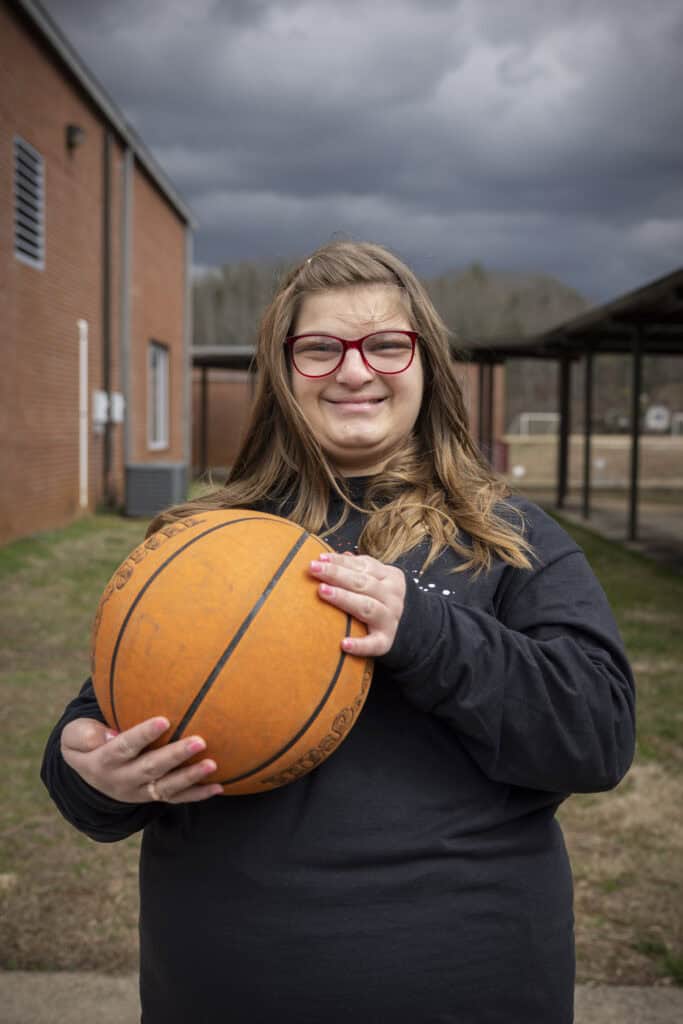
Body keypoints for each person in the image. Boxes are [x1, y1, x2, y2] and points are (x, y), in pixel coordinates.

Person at [41, 240, 636, 1023]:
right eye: (319, 350)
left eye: (385, 345)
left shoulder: (507, 535)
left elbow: (596, 735)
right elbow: (109, 722)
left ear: (425, 364)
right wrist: (88, 772)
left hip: (470, 978)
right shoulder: (205, 541)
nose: (354, 371)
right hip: (226, 982)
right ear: (284, 375)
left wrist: (424, 631)